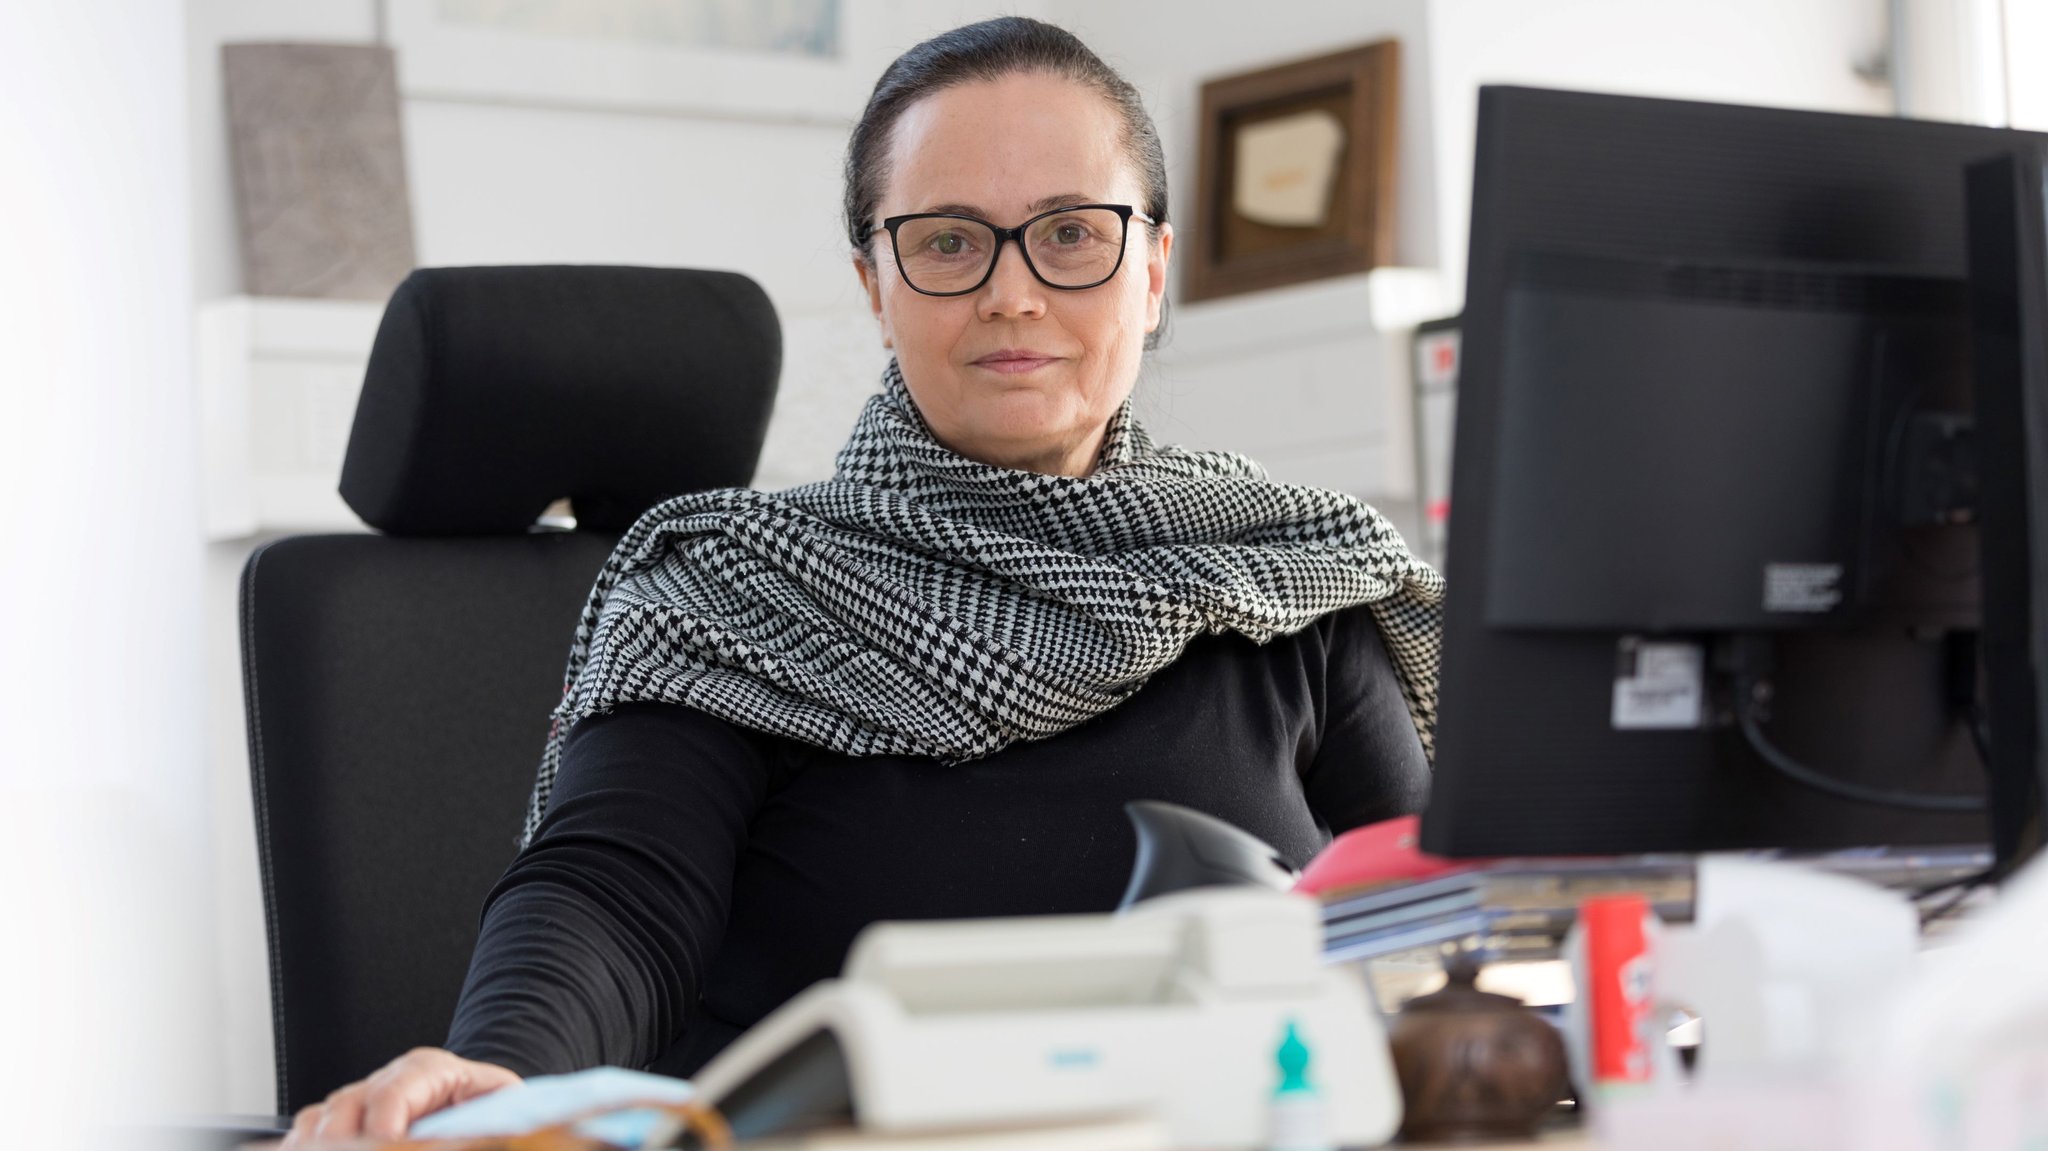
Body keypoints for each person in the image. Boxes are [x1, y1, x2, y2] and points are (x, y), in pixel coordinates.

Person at [284, 16, 1443, 1145]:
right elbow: (614, 894)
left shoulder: (1288, 573)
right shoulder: (732, 592)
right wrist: (504, 1073)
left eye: (1071, 234)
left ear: (1151, 269)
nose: (1012, 293)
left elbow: (1432, 924)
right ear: (874, 284)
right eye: (946, 240)